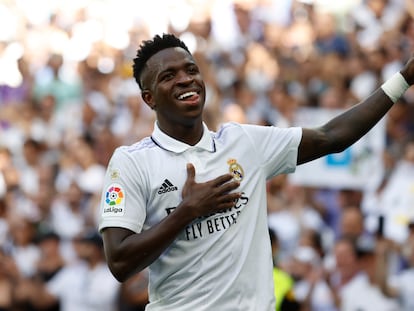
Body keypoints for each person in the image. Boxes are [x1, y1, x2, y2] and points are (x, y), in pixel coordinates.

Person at [98, 33, 414, 310]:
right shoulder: (131, 162)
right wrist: (187, 211)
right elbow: (120, 262)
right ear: (149, 98)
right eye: (168, 76)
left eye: (191, 70)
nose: (185, 79)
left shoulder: (244, 141)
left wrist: (404, 78)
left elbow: (333, 136)